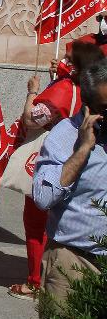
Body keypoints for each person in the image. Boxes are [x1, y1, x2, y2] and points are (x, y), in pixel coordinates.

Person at [9, 40, 105, 299]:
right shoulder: (70, 111)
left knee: (35, 227)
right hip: (72, 246)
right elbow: (46, 195)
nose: (61, 61)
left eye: (67, 58)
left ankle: (33, 279)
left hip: (81, 249)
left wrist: (32, 93)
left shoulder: (63, 89)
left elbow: (32, 119)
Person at [32, 58, 107, 307]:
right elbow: (43, 198)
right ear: (88, 106)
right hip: (74, 261)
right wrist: (83, 150)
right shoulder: (64, 136)